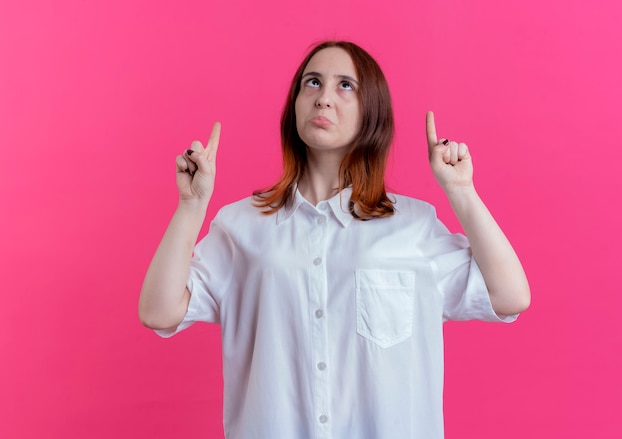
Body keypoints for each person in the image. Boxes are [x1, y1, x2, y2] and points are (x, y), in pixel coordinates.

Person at [139, 40, 530, 439]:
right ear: (295, 105)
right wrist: (191, 205)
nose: (324, 98)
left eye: (346, 85)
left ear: (371, 112)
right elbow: (159, 311)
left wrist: (461, 191)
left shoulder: (413, 227)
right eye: (312, 82)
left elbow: (510, 296)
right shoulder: (242, 225)